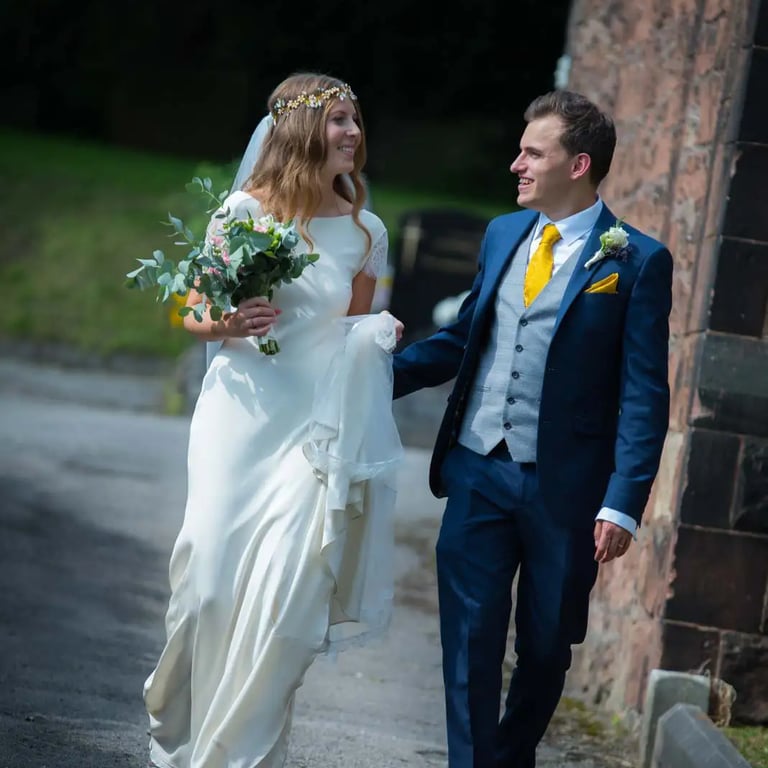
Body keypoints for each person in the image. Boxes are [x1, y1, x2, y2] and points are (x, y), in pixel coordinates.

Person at [392, 89, 673, 767]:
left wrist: (623, 501)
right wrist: (366, 376)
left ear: (577, 165)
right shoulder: (501, 234)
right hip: (478, 469)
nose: (516, 163)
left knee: (547, 645)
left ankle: (508, 757)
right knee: (469, 637)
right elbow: (465, 340)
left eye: (531, 152)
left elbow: (644, 391)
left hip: (567, 492)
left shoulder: (635, 260)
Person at [143, 72, 404, 768]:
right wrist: (227, 319)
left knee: (287, 595)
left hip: (313, 428)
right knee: (208, 583)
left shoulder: (364, 231)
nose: (353, 133)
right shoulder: (241, 213)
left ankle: (240, 755)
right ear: (299, 132)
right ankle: (175, 727)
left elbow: (351, 332)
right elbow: (194, 312)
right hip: (241, 415)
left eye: (356, 119)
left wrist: (378, 333)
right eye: (339, 119)